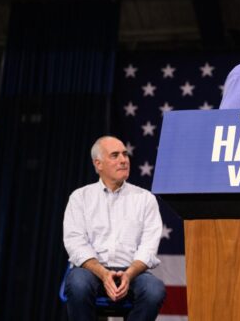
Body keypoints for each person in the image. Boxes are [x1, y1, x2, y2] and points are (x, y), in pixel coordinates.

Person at [63, 136, 165, 321]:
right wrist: (103, 273)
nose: (123, 160)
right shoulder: (80, 197)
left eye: (125, 155)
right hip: (91, 270)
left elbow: (149, 247)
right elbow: (75, 243)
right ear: (98, 164)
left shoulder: (145, 198)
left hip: (132, 272)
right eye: (115, 155)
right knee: (78, 284)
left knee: (154, 290)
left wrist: (129, 273)